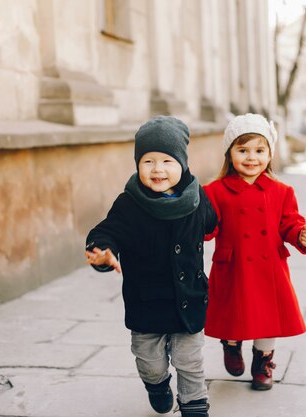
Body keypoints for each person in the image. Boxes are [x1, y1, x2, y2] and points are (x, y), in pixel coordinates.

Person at [85, 116, 217, 417]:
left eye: (167, 161)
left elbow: (212, 221)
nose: (157, 169)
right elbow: (108, 231)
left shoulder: (196, 197)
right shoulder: (129, 204)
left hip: (189, 300)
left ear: (182, 164)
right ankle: (157, 386)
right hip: (147, 302)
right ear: (137, 164)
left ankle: (195, 407)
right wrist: (102, 251)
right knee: (150, 363)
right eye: (148, 161)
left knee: (190, 363)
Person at [203, 113, 306, 391]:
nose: (251, 157)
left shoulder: (281, 191)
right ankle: (231, 345)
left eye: (259, 150)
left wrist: (300, 234)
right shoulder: (215, 191)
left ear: (269, 154)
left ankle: (262, 363)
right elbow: (208, 228)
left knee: (268, 319)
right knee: (233, 314)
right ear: (230, 154)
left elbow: (289, 222)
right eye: (242, 150)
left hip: (269, 267)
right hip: (233, 265)